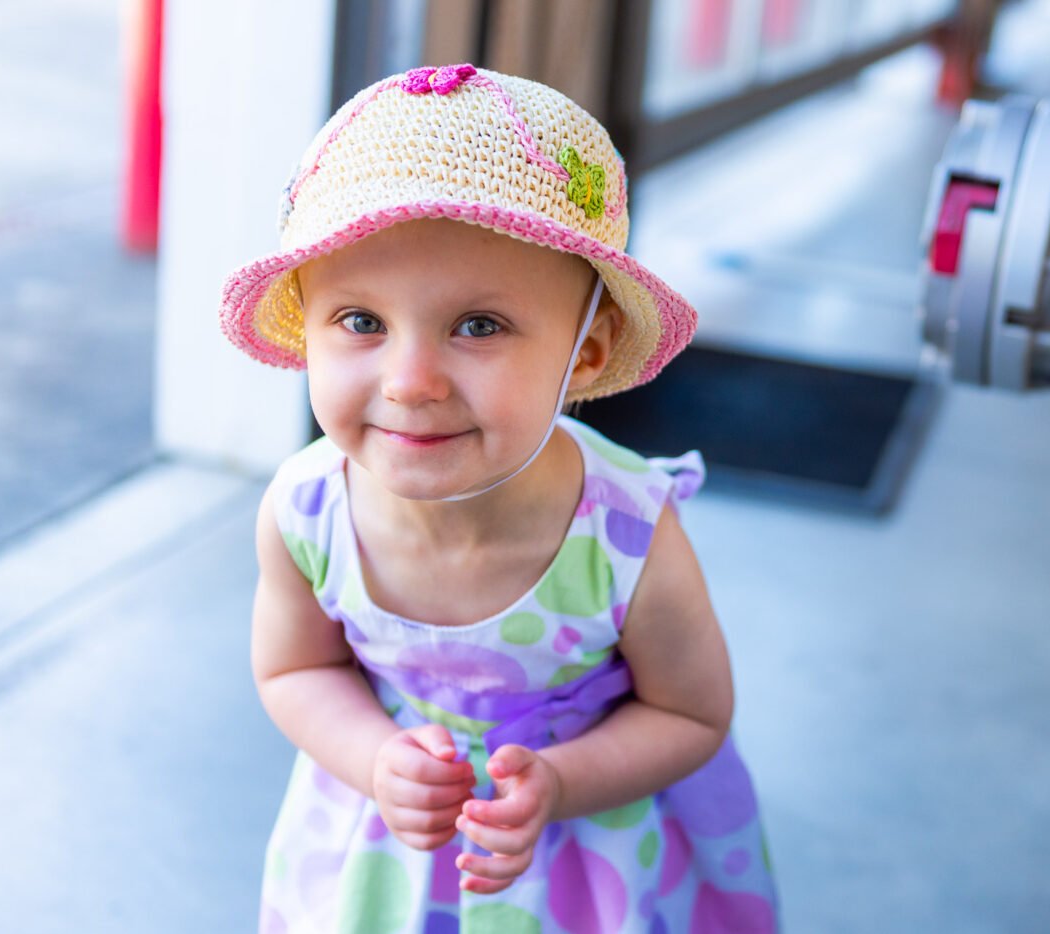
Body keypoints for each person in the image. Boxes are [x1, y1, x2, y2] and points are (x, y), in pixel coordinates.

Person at [219, 64, 779, 933]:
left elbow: (691, 713)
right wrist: (376, 760)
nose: (410, 382)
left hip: (588, 859)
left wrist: (559, 785)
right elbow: (296, 670)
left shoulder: (626, 533)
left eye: (478, 327)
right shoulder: (305, 511)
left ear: (585, 355)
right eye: (361, 321)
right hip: (388, 850)